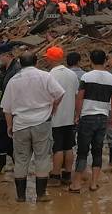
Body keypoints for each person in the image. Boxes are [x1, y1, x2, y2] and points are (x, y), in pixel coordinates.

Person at [1, 52, 65, 203]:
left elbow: (7, 108)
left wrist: (10, 126)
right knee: (42, 158)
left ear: (21, 64)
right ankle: (41, 195)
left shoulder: (13, 80)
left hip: (20, 124)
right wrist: (53, 107)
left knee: (21, 160)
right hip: (42, 122)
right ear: (36, 62)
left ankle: (21, 196)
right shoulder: (45, 76)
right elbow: (60, 93)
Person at [69, 50, 112, 193]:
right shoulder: (111, 78)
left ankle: (76, 184)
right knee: (98, 150)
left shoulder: (86, 76)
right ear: (105, 60)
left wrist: (77, 115)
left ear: (91, 60)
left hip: (87, 116)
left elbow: (80, 97)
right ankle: (94, 183)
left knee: (83, 151)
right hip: (102, 117)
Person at [45, 47, 79, 188]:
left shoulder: (51, 75)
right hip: (69, 116)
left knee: (57, 147)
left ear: (51, 59)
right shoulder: (72, 74)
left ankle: (55, 176)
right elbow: (77, 95)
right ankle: (67, 175)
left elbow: (48, 97)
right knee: (69, 146)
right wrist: (77, 114)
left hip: (56, 117)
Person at [0, 43, 21, 174]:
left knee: (0, 138)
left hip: (12, 111)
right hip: (6, 110)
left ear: (6, 55)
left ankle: (2, 166)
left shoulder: (16, 70)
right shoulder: (5, 70)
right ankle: (8, 165)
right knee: (8, 139)